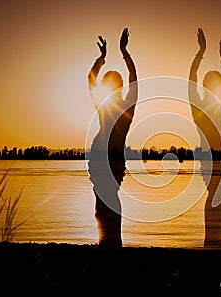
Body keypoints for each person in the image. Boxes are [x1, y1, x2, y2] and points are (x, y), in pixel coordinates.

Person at [87, 28, 138, 248]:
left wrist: (123, 53)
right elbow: (90, 81)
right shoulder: (104, 107)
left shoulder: (125, 108)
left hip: (111, 159)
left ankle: (112, 243)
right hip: (100, 159)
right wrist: (102, 58)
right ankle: (107, 242)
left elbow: (134, 79)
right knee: (101, 203)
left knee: (108, 201)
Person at [188, 28, 221, 248]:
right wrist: (212, 55)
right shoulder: (204, 109)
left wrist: (214, 55)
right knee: (219, 199)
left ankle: (216, 243)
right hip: (217, 159)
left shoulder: (217, 108)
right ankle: (214, 243)